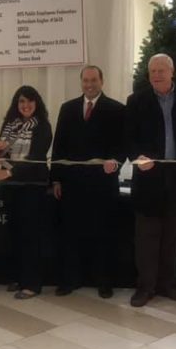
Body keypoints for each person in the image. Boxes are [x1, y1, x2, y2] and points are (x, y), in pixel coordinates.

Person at [125, 54, 176, 307]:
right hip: (148, 178)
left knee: (174, 236)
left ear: (172, 72)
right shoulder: (136, 101)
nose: (157, 75)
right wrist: (137, 158)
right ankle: (145, 287)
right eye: (153, 71)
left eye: (162, 70)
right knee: (146, 238)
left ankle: (168, 284)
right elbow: (128, 139)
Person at [50, 65, 125, 298]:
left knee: (103, 234)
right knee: (70, 234)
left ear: (102, 81)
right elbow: (59, 145)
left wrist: (116, 162)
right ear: (81, 82)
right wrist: (56, 179)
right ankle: (69, 280)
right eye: (86, 80)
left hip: (103, 183)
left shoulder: (117, 109)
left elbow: (122, 145)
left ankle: (104, 282)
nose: (89, 84)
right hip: (72, 184)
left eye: (94, 80)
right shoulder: (67, 108)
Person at [0, 85, 53, 299]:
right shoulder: (10, 125)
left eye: (29, 101)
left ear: (37, 103)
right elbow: (4, 155)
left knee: (31, 235)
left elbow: (35, 158)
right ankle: (18, 277)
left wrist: (8, 172)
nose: (25, 105)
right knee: (14, 233)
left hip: (32, 187)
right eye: (21, 101)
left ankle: (32, 284)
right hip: (11, 187)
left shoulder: (43, 126)